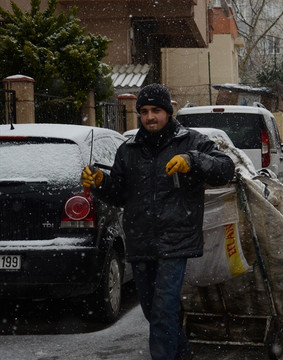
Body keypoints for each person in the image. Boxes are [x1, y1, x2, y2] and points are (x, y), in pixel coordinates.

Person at [81, 83, 235, 360]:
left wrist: (193, 161)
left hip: (176, 240)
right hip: (141, 241)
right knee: (154, 311)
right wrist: (101, 183)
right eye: (144, 111)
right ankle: (182, 353)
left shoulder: (191, 141)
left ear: (169, 111)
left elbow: (225, 168)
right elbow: (120, 195)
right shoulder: (128, 150)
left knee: (163, 309)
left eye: (156, 111)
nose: (150, 117)